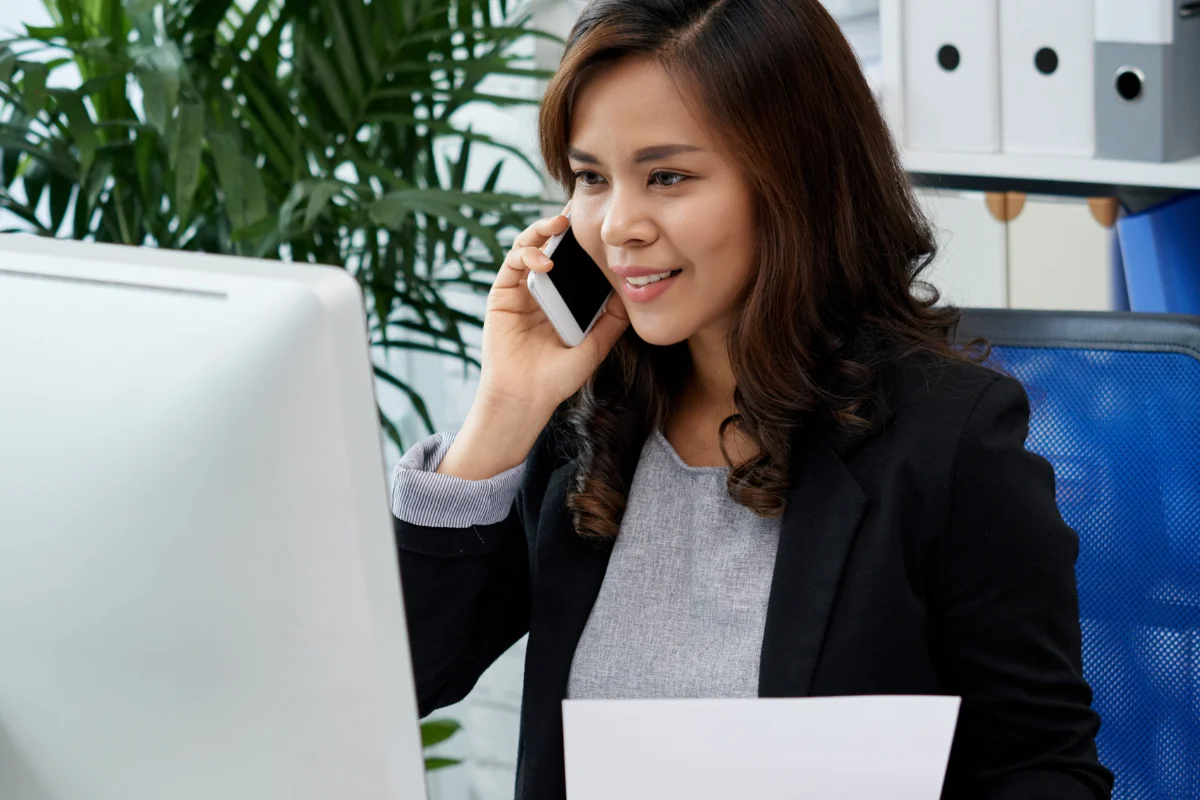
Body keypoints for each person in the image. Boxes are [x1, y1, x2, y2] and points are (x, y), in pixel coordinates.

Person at [390, 0, 1113, 797]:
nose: (618, 224)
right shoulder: (583, 420)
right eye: (591, 178)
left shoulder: (948, 440)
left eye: (668, 176)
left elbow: (1042, 772)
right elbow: (401, 681)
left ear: (791, 183)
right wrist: (502, 412)